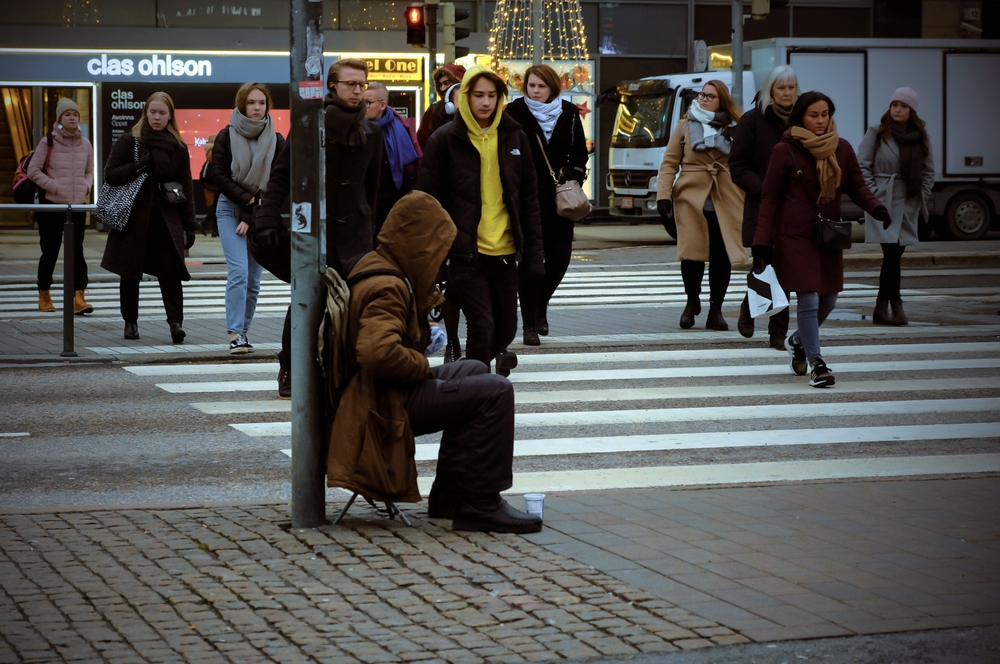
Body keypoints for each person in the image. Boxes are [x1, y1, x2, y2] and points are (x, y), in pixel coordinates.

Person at [326, 190, 542, 534]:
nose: (440, 262)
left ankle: (450, 497)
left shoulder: (379, 265)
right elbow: (377, 352)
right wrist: (420, 366)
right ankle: (481, 503)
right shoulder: (388, 285)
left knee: (474, 369)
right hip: (377, 404)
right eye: (437, 251)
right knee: (496, 390)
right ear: (419, 245)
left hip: (377, 391)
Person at [253, 58, 382, 399]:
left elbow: (374, 189)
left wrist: (375, 235)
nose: (357, 90)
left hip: (356, 236)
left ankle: (341, 371)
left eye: (362, 85)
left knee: (353, 305)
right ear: (333, 86)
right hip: (314, 232)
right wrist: (267, 217)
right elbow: (282, 175)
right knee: (307, 302)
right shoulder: (310, 125)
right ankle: (290, 367)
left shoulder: (372, 132)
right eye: (350, 84)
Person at [752, 91, 889, 388]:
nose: (820, 121)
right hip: (794, 236)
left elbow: (858, 186)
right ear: (801, 116)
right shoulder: (784, 150)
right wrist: (761, 240)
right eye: (813, 115)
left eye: (824, 114)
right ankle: (818, 365)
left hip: (828, 235)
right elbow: (770, 198)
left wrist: (877, 208)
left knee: (829, 299)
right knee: (809, 298)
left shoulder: (842, 148)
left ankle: (797, 341)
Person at [417, 65, 544, 376]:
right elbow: (427, 201)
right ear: (465, 97)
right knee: (482, 324)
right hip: (466, 253)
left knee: (506, 328)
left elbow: (529, 200)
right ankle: (477, 387)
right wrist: (433, 257)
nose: (486, 102)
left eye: (492, 95)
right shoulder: (445, 139)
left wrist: (534, 255)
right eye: (478, 95)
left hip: (505, 250)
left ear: (500, 98)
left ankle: (469, 377)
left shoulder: (515, 136)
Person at [101, 92, 197, 343]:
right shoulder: (130, 141)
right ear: (145, 113)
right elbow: (110, 175)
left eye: (162, 113)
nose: (156, 117)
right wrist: (138, 165)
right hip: (133, 219)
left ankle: (176, 324)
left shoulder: (178, 147)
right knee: (130, 272)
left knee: (171, 271)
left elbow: (186, 186)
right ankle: (130, 323)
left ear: (170, 116)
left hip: (166, 219)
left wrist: (190, 225)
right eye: (152, 112)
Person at [505, 64, 589, 346]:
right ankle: (529, 322)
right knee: (529, 260)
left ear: (552, 87)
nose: (536, 91)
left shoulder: (569, 113)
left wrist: (573, 175)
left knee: (559, 259)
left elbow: (580, 152)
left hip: (559, 197)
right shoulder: (514, 112)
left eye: (541, 86)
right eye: (531, 85)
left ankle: (541, 304)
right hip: (526, 197)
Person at [656, 80, 747, 331]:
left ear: (722, 101)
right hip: (690, 198)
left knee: (721, 257)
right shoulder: (685, 125)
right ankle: (691, 302)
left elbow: (745, 163)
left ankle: (715, 310)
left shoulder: (736, 127)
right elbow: (669, 163)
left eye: (710, 96)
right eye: (702, 95)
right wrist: (663, 196)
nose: (704, 99)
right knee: (691, 254)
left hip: (726, 199)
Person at [212, 82, 286, 353]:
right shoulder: (226, 135)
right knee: (239, 271)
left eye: (262, 103)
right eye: (252, 102)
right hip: (229, 210)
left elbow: (279, 181)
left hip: (260, 214)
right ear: (242, 104)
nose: (257, 107)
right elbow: (219, 177)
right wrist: (249, 203)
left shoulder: (277, 140)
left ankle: (243, 332)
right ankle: (234, 334)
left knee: (254, 278)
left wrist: (253, 213)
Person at [730, 65, 798, 348]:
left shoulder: (802, 120)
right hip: (762, 207)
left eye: (791, 87)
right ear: (770, 90)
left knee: (785, 271)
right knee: (763, 266)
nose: (787, 93)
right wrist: (765, 189)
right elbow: (737, 166)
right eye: (781, 88)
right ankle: (749, 308)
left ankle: (778, 333)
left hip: (793, 209)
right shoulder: (752, 121)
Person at [857, 87, 935, 326]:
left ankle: (883, 307)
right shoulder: (877, 132)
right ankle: (894, 306)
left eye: (903, 106)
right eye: (894, 105)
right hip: (884, 201)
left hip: (908, 202)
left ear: (911, 110)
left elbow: (929, 170)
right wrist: (874, 196)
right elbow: (863, 166)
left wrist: (920, 196)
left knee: (894, 256)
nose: (897, 109)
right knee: (892, 255)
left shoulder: (919, 136)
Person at [28, 97, 94, 315]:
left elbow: (89, 171)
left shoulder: (86, 144)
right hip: (52, 205)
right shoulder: (48, 141)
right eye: (67, 114)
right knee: (50, 251)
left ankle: (79, 297)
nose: (72, 118)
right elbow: (33, 170)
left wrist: (86, 185)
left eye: (75, 114)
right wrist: (53, 186)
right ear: (59, 119)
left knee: (77, 252)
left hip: (77, 206)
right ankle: (44, 293)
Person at [363, 81, 421, 234]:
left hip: (392, 204)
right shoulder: (356, 129)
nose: (363, 107)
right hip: (364, 203)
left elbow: (410, 170)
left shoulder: (400, 129)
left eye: (368, 103)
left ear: (382, 105)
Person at [417, 64, 466, 151]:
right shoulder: (433, 111)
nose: (442, 88)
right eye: (440, 84)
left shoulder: (475, 108)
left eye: (446, 83)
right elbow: (421, 141)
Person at [200, 135, 219, 237]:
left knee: (215, 208)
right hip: (214, 185)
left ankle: (215, 231)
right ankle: (203, 223)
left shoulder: (209, 152)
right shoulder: (214, 151)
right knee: (215, 208)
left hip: (208, 184)